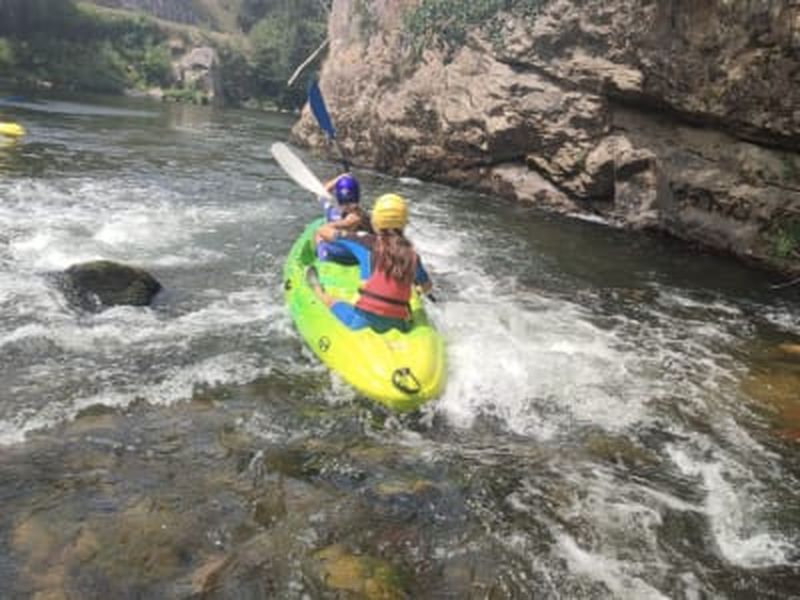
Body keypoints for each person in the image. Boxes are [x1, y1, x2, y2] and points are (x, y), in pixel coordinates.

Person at [308, 193, 433, 333]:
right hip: (398, 324)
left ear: (376, 220)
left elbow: (323, 231)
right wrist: (417, 290)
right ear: (404, 223)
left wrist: (346, 223)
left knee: (329, 300)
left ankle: (317, 290)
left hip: (362, 321)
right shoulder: (412, 255)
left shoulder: (365, 241)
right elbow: (427, 286)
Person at [315, 173, 371, 262]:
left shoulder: (355, 217)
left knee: (319, 234)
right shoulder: (335, 211)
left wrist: (339, 178)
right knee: (321, 233)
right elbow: (322, 192)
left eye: (349, 203)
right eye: (346, 203)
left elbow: (322, 192)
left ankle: (323, 261)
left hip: (351, 255)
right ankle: (323, 260)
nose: (347, 206)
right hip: (351, 250)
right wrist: (341, 177)